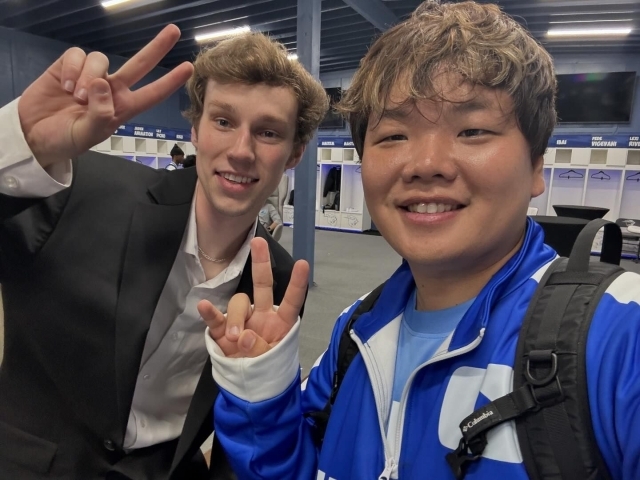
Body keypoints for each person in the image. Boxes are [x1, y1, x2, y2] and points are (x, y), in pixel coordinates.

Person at [200, 1, 640, 479]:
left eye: (472, 130)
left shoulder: (620, 336)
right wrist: (262, 395)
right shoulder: (356, 331)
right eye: (393, 136)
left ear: (536, 165)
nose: (426, 164)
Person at [0, 25, 327, 479]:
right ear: (196, 129)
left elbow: (243, 421)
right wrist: (17, 142)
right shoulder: (84, 187)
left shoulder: (279, 278)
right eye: (223, 121)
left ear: (294, 154)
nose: (241, 151)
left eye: (268, 132)